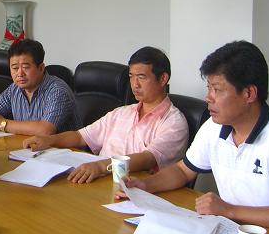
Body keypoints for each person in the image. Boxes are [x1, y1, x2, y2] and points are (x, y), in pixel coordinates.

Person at [118, 41, 269, 229]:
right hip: (232, 230)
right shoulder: (214, 127)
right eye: (209, 88)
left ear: (249, 93)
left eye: (217, 90)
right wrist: (145, 185)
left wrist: (229, 210)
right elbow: (183, 171)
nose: (208, 97)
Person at [23, 46, 188, 183]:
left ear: (163, 79)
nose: (134, 85)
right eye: (131, 77)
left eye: (141, 77)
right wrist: (49, 140)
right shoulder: (122, 113)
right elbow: (81, 137)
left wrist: (102, 166)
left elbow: (148, 158)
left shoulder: (173, 122)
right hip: (99, 181)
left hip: (134, 189)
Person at [0, 39, 78, 135]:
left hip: (62, 149)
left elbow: (45, 130)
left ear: (41, 68)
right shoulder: (14, 88)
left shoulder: (58, 91)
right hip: (26, 147)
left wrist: (2, 124)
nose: (20, 73)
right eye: (15, 68)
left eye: (26, 67)